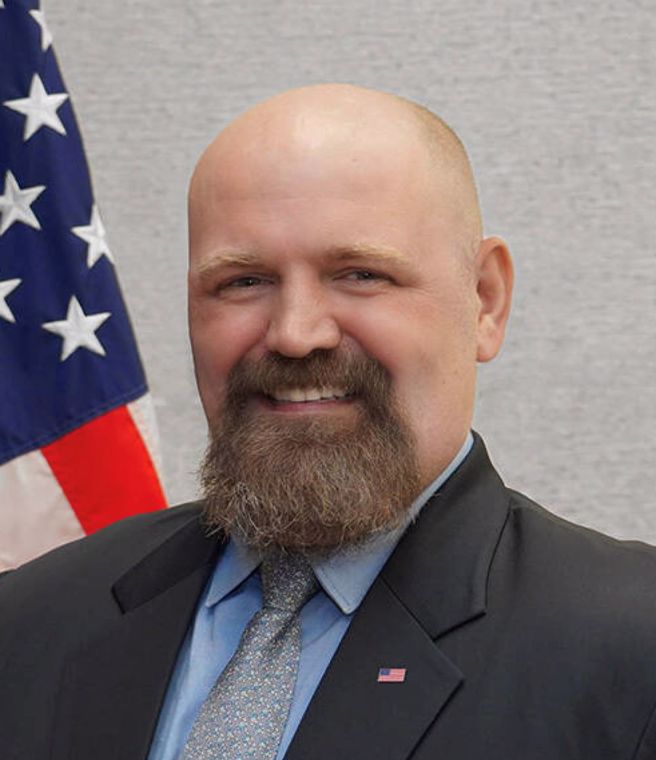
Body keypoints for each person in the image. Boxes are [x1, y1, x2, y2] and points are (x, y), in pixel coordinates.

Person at [1, 83, 655, 760]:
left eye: (360, 274)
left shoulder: (633, 649)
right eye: (243, 281)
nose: (295, 334)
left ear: (484, 300)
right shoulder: (26, 623)